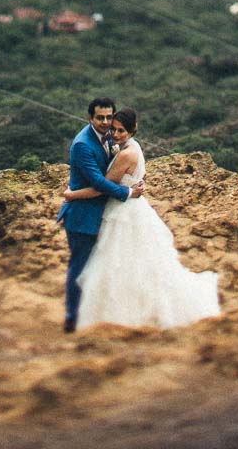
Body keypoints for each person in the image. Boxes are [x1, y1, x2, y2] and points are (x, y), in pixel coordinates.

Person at [62, 107, 221, 329]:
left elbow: (102, 187)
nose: (116, 134)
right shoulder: (131, 147)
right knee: (132, 262)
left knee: (121, 263)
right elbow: (137, 175)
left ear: (133, 130)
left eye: (121, 131)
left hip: (122, 212)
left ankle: (124, 313)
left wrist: (72, 194)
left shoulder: (127, 153)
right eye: (114, 129)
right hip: (131, 208)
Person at [57, 97, 142, 332]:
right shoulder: (83, 144)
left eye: (108, 117)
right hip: (82, 216)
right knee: (80, 268)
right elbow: (97, 182)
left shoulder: (111, 138)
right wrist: (128, 192)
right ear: (90, 118)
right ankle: (72, 319)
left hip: (103, 213)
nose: (105, 122)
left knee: (100, 267)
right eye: (100, 118)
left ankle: (94, 312)